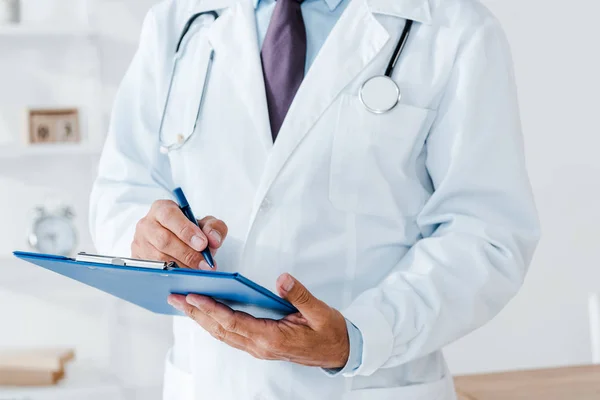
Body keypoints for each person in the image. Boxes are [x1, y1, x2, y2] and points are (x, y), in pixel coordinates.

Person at [89, 0, 540, 397]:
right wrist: (149, 239)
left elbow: (486, 233)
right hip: (211, 382)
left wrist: (361, 335)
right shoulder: (179, 21)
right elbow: (123, 190)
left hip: (366, 383)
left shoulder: (454, 28)